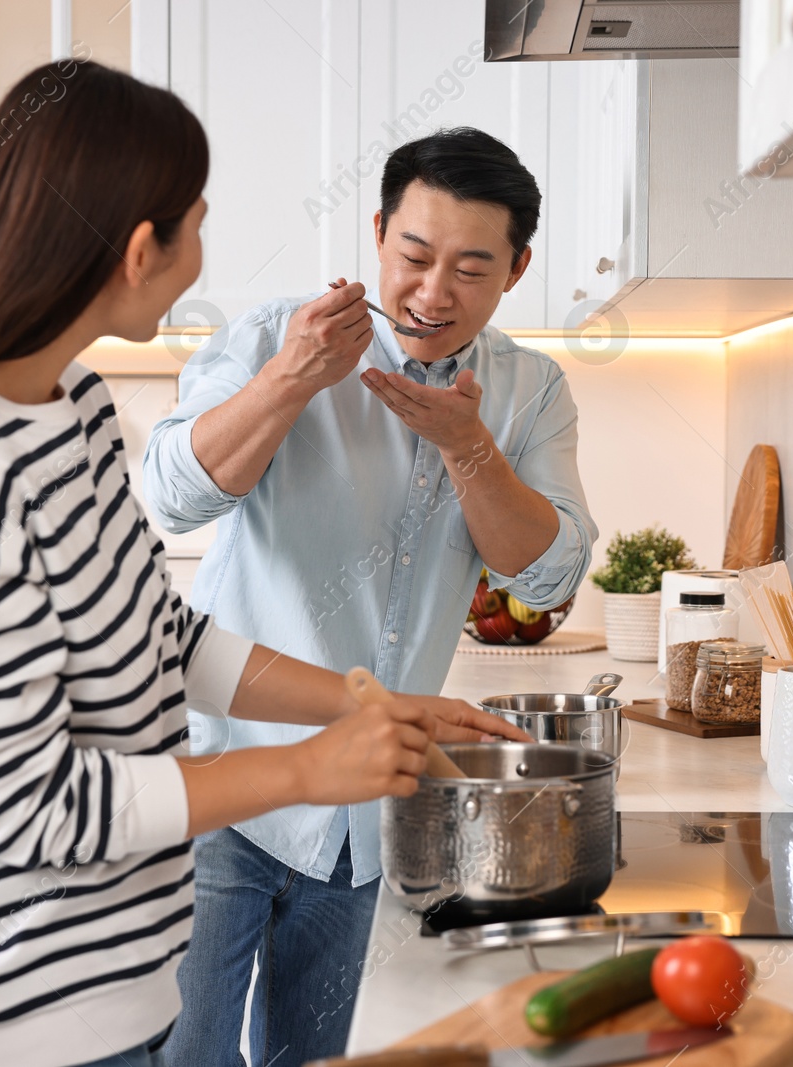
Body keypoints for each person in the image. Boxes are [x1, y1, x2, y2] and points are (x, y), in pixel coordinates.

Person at [0, 62, 520, 1067]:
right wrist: (306, 769)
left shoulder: (75, 411)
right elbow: (32, 803)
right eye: (196, 223)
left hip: (115, 990)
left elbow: (160, 638)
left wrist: (366, 704)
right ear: (143, 249)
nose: (201, 252)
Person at [144, 126, 596, 1066]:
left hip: (365, 815)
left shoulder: (529, 391)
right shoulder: (279, 335)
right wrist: (289, 382)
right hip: (220, 782)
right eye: (415, 256)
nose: (433, 293)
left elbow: (546, 573)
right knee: (182, 1056)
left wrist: (470, 449)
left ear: (516, 270)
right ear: (379, 231)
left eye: (471, 269)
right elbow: (173, 494)